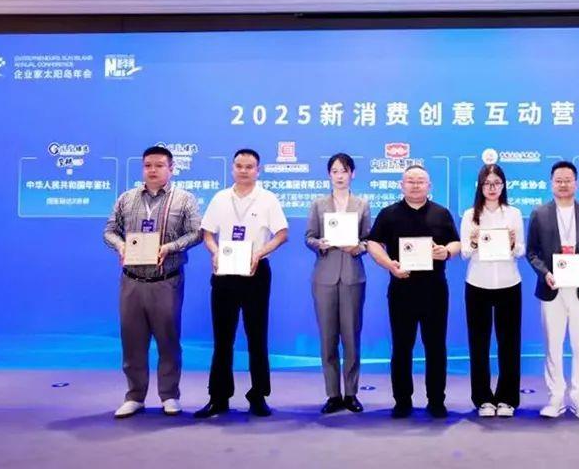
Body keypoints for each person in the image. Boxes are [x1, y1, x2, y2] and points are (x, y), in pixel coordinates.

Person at [104, 145, 202, 418]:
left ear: (171, 169)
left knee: (168, 340)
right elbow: (109, 230)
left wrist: (170, 247)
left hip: (166, 281)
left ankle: (169, 395)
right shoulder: (127, 199)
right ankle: (134, 396)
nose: (153, 170)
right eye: (148, 165)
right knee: (132, 340)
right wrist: (121, 246)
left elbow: (196, 233)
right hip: (132, 281)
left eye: (159, 165)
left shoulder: (184, 200)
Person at [194, 148, 289, 418]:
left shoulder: (268, 199)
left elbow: (282, 234)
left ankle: (258, 395)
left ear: (258, 170)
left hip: (255, 272)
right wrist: (214, 252)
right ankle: (218, 397)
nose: (243, 171)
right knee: (222, 338)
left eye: (249, 167)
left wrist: (260, 252)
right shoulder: (220, 198)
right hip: (224, 272)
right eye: (239, 166)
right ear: (232, 168)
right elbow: (207, 233)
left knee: (257, 337)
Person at [366, 165, 461, 418]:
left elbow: (456, 242)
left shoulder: (441, 213)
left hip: (434, 290)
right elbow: (373, 242)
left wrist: (446, 252)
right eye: (410, 181)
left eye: (420, 181)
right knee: (401, 347)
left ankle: (436, 400)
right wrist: (389, 264)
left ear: (429, 186)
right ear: (402, 185)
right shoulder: (389, 214)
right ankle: (402, 401)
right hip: (401, 289)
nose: (415, 185)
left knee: (436, 346)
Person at [526, 160, 579, 420]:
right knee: (553, 345)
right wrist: (545, 274)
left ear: (576, 183)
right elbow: (532, 252)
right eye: (558, 180)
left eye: (567, 180)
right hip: (553, 287)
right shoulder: (539, 213)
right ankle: (556, 396)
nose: (563, 184)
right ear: (551, 183)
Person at [305, 153, 372, 414]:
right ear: (329, 175)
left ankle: (351, 392)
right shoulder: (318, 204)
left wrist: (360, 247)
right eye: (335, 171)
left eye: (344, 170)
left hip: (353, 276)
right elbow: (309, 237)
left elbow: (369, 239)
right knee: (327, 336)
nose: (339, 176)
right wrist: (319, 244)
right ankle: (333, 394)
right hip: (324, 276)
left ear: (352, 174)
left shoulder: (362, 204)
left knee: (352, 336)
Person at [460, 164, 525, 418]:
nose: (492, 188)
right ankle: (483, 398)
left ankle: (508, 398)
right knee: (479, 344)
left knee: (509, 343)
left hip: (509, 283)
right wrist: (474, 241)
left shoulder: (513, 213)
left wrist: (512, 243)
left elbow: (521, 250)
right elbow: (465, 253)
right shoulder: (470, 215)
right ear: (480, 186)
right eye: (487, 183)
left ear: (503, 186)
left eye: (497, 183)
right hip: (478, 283)